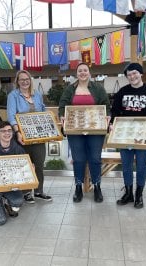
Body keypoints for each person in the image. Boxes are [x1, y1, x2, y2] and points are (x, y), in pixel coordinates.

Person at [111, 63, 146, 209]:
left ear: (141, 74)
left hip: (144, 135)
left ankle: (139, 194)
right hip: (125, 135)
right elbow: (115, 112)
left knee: (141, 166)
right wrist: (111, 124)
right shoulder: (122, 92)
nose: (132, 77)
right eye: (129, 75)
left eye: (135, 73)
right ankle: (128, 193)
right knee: (126, 166)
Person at [58, 62, 110, 203]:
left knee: (95, 158)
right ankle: (78, 187)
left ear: (89, 72)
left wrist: (107, 116)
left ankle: (97, 186)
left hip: (95, 130)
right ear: (77, 74)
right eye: (80, 71)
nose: (82, 73)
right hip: (75, 130)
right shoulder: (70, 89)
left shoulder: (98, 88)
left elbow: (106, 105)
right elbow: (62, 106)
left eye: (85, 70)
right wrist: (62, 116)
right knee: (79, 159)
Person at [7, 70, 52, 203]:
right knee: (25, 164)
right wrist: (17, 132)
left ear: (30, 80)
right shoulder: (13, 95)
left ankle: (39, 191)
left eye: (27, 79)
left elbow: (43, 111)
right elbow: (11, 115)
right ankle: (26, 193)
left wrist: (49, 124)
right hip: (22, 136)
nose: (25, 82)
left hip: (38, 135)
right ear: (17, 82)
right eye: (22, 79)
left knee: (39, 163)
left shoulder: (37, 94)